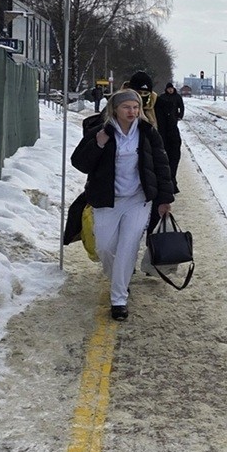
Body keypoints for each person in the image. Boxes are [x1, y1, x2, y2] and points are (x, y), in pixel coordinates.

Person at [71, 89, 174, 322]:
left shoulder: (147, 132)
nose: (132, 111)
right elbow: (79, 163)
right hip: (107, 201)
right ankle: (120, 277)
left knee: (128, 247)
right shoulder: (101, 132)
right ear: (115, 109)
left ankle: (119, 298)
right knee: (105, 247)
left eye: (135, 107)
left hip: (138, 200)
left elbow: (162, 165)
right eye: (127, 107)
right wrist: (98, 145)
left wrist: (165, 199)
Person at [154, 82, 185, 194]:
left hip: (172, 123)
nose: (170, 90)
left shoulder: (177, 97)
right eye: (169, 89)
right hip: (163, 130)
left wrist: (180, 116)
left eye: (171, 88)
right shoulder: (161, 98)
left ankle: (171, 182)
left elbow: (181, 107)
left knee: (171, 159)